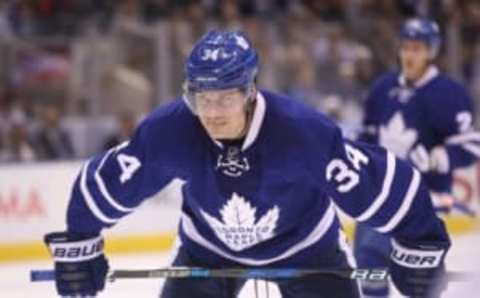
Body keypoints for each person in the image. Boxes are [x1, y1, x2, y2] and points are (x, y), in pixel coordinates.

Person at [44, 30, 451, 298]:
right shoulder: (171, 130)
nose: (213, 112)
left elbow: (384, 183)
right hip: (208, 250)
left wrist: (422, 243)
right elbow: (106, 184)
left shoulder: (301, 132)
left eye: (225, 98)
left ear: (251, 91)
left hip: (307, 247)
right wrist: (80, 244)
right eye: (202, 98)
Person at [354, 17, 480, 297]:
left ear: (431, 52)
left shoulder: (451, 94)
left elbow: (472, 145)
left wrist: (439, 156)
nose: (410, 55)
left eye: (417, 48)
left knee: (420, 283)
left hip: (425, 199)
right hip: (380, 196)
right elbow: (366, 139)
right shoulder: (381, 89)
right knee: (369, 262)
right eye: (406, 47)